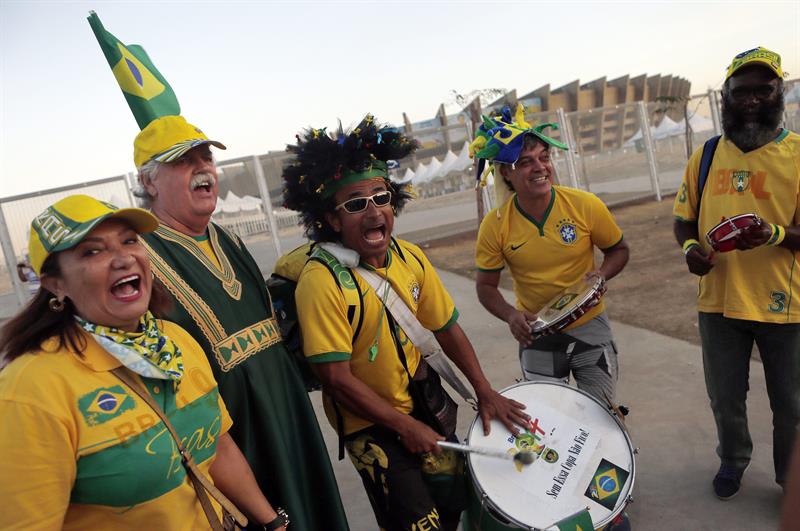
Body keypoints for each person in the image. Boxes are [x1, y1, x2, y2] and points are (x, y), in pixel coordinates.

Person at [283, 115, 530, 531]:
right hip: (372, 427)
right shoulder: (321, 281)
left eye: (380, 197)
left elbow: (447, 328)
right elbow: (337, 379)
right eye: (355, 203)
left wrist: (484, 391)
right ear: (332, 218)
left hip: (426, 401)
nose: (373, 211)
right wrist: (403, 426)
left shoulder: (410, 257)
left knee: (454, 508)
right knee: (420, 525)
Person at [0, 195, 286, 530]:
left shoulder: (175, 341)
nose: (122, 259)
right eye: (93, 251)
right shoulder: (29, 391)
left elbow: (217, 446)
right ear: (56, 284)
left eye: (129, 241)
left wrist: (271, 522)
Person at [132, 115, 348, 530]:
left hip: (290, 420)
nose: (201, 168)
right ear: (149, 181)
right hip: (233, 442)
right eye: (183, 161)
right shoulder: (141, 256)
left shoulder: (229, 238)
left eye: (205, 157)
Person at [673, 46, 800, 500]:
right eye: (740, 89)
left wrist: (774, 234)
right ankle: (732, 460)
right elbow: (684, 219)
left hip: (786, 305)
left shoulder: (797, 155)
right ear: (725, 95)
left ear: (778, 91)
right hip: (719, 301)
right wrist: (690, 248)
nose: (750, 98)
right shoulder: (706, 156)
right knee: (726, 398)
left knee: (791, 406)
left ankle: (791, 481)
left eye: (761, 89)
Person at [473, 105, 630, 403]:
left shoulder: (585, 204)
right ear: (505, 171)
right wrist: (511, 315)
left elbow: (618, 250)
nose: (540, 167)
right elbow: (485, 287)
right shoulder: (494, 227)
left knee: (601, 416)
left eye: (544, 158)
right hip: (536, 336)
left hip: (590, 327)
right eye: (525, 162)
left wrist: (602, 273)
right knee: (552, 428)